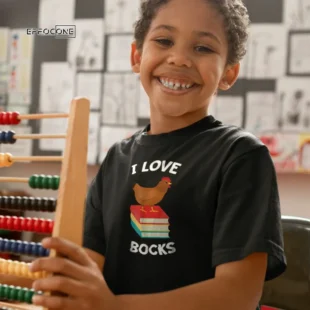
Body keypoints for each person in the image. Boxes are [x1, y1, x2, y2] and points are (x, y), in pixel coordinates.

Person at [29, 0, 287, 309]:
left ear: (228, 74)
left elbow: (238, 295)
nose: (179, 58)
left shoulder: (241, 155)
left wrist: (113, 307)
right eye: (164, 41)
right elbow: (90, 273)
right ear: (137, 56)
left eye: (203, 48)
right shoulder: (116, 159)